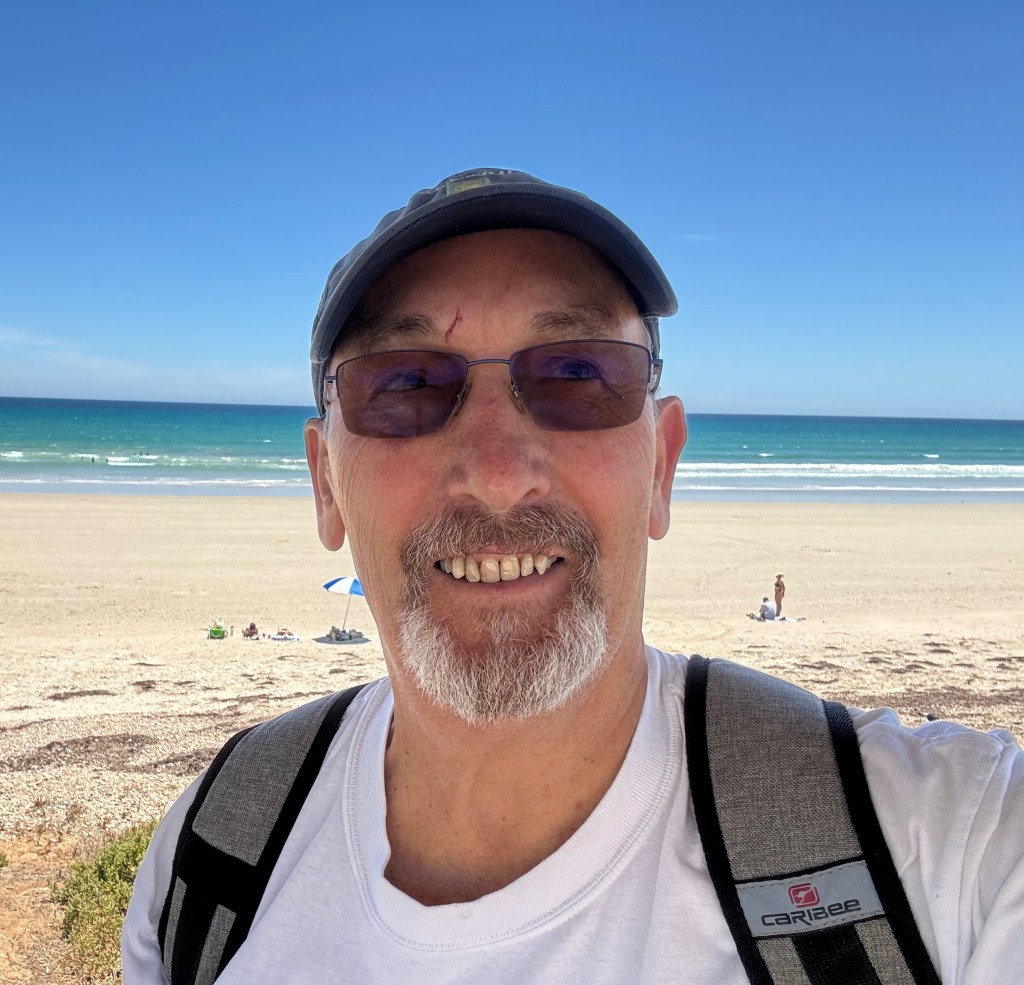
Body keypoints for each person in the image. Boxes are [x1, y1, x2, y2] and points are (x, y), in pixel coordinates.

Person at [123, 169, 1023, 983]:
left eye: (578, 373)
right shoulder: (209, 860)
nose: (497, 472)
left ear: (661, 467)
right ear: (326, 485)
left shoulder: (948, 848)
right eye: (406, 384)